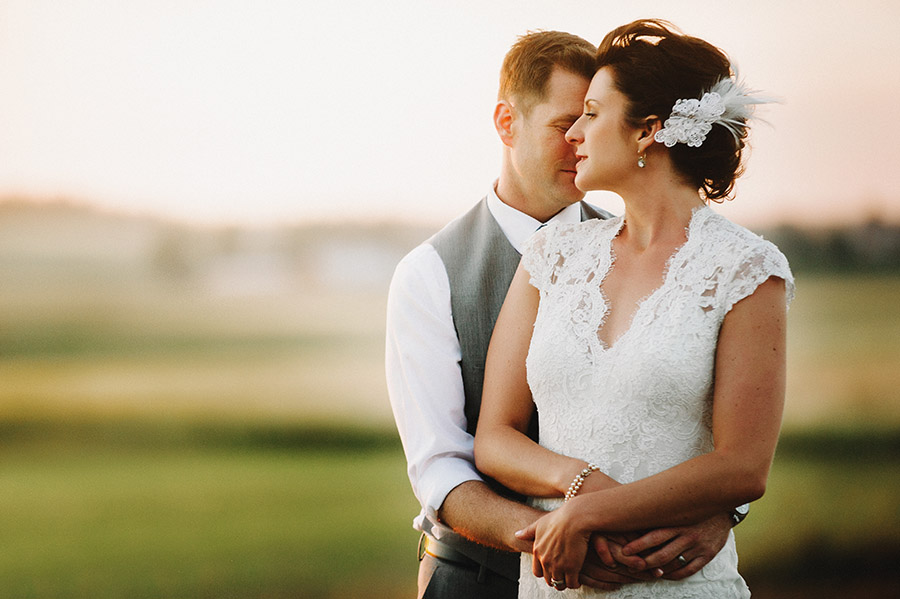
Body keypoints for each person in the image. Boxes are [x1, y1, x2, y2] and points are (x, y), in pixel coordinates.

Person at [386, 30, 739, 599]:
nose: (579, 140)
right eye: (561, 124)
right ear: (506, 123)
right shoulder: (428, 273)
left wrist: (723, 511)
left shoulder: (662, 253)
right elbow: (439, 467)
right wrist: (553, 540)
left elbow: (707, 416)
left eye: (591, 118)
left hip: (643, 574)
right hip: (476, 577)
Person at [474, 19, 794, 598]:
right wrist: (579, 492)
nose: (575, 132)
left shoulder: (746, 270)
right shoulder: (553, 256)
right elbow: (495, 438)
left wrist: (582, 516)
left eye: (592, 113)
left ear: (648, 131)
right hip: (558, 582)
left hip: (675, 584)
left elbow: (744, 466)